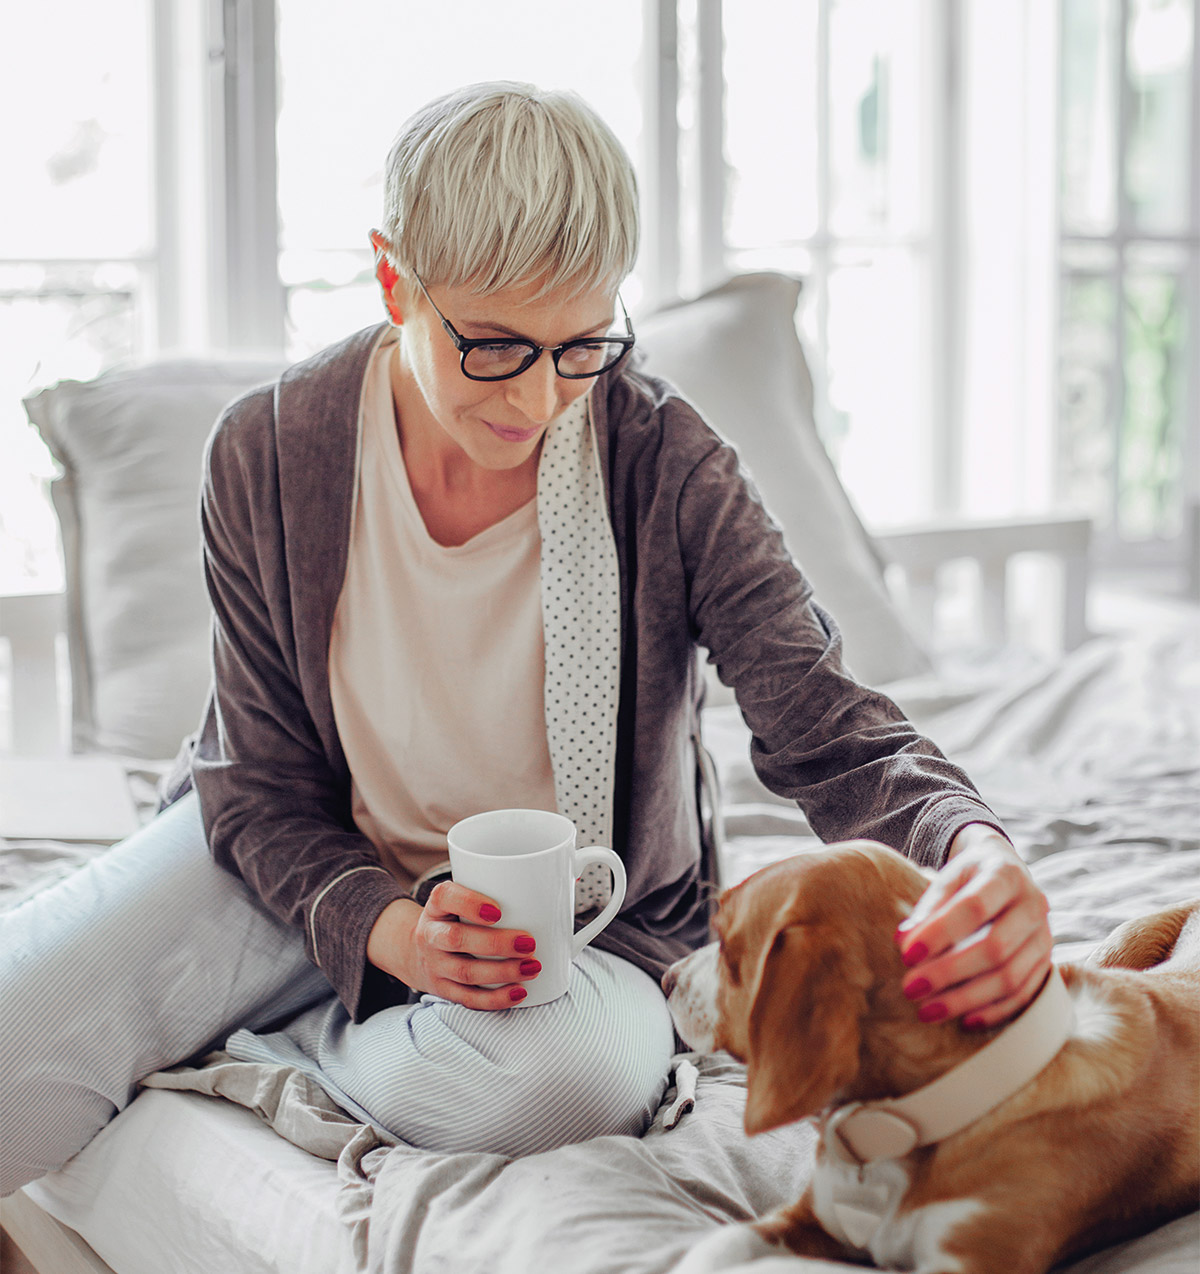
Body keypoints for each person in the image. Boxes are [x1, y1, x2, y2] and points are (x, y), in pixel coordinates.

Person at [0, 81, 1052, 1195]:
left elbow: (829, 727)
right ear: (393, 276)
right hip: (295, 862)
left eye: (583, 344)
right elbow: (255, 782)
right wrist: (389, 931)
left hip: (568, 926)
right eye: (495, 346)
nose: (543, 397)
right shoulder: (265, 453)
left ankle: (284, 1039)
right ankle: (345, 981)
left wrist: (973, 848)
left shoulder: (666, 464)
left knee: (572, 1081)